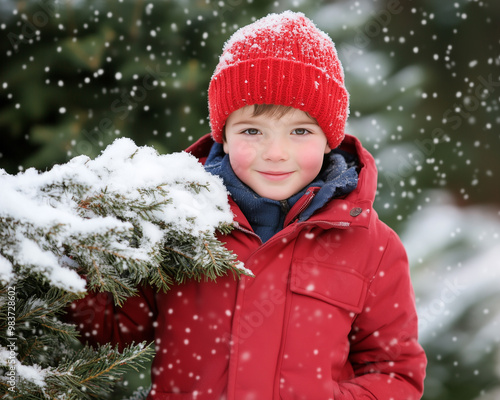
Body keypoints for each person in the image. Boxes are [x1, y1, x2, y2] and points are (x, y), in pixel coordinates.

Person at [68, 11, 427, 400]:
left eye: (301, 131)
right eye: (252, 131)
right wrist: (79, 254)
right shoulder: (180, 219)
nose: (275, 153)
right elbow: (108, 332)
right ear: (222, 134)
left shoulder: (372, 248)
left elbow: (395, 374)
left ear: (330, 139)